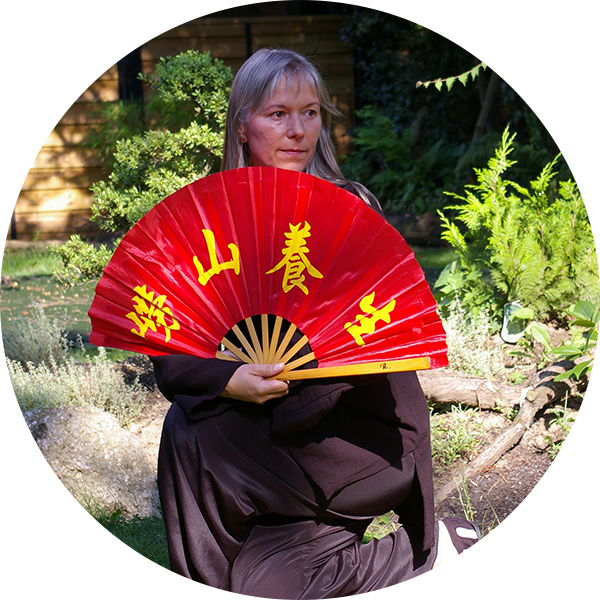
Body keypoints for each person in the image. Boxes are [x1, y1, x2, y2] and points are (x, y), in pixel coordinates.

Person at [152, 47, 479, 599]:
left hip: (354, 435)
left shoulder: (348, 210)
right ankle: (432, 553)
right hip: (276, 439)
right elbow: (167, 347)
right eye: (277, 114)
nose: (298, 130)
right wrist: (228, 379)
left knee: (195, 431)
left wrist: (275, 382)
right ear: (242, 126)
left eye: (309, 113)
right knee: (267, 583)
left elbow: (371, 344)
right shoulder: (211, 220)